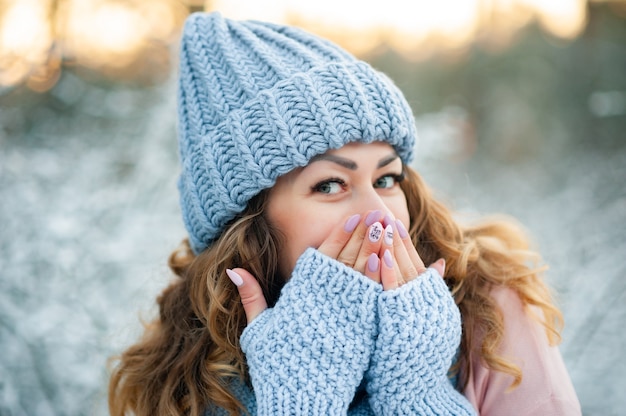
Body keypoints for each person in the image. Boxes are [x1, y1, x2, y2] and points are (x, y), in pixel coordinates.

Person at [108, 11, 581, 416]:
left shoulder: (488, 305)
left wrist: (418, 397)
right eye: (330, 185)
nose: (381, 216)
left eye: (386, 179)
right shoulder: (182, 372)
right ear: (249, 226)